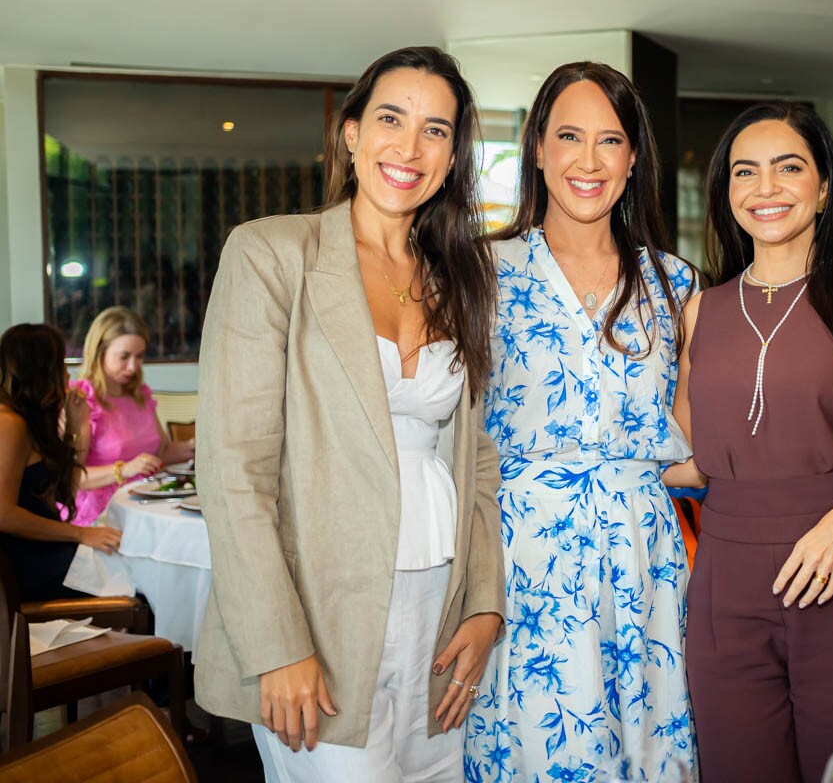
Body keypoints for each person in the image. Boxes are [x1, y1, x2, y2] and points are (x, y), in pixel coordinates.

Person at [194, 46, 503, 782]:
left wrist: (484, 605)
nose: (410, 146)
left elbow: (478, 459)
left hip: (441, 613)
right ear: (352, 134)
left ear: (453, 153)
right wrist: (277, 644)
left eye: (436, 129)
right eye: (392, 119)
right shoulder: (273, 254)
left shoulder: (460, 279)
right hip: (319, 617)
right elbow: (235, 469)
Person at [673, 104, 833, 781]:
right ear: (727, 194)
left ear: (823, 188)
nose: (766, 187)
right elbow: (690, 454)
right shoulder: (702, 309)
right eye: (745, 171)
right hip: (726, 583)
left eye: (789, 168)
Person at [464, 61, 697, 782]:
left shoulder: (675, 282)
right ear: (537, 148)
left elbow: (694, 445)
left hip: (645, 558)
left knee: (648, 746)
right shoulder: (481, 270)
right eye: (569, 136)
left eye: (610, 140)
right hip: (525, 561)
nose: (588, 161)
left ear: (633, 160)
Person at [0, 324, 122, 601]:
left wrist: (76, 426)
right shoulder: (8, 423)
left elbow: (63, 489)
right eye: (61, 364)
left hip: (45, 553)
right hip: (27, 566)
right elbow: (3, 515)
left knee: (128, 562)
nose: (67, 373)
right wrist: (79, 534)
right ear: (41, 369)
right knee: (136, 585)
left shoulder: (27, 418)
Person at [70, 306, 195, 526]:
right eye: (124, 357)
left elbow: (162, 452)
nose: (133, 366)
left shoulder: (140, 396)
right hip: (99, 516)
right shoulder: (82, 400)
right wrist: (124, 469)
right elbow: (72, 477)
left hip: (142, 505)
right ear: (99, 352)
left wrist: (195, 447)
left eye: (139, 356)